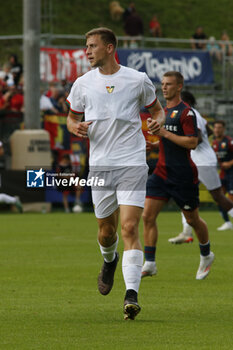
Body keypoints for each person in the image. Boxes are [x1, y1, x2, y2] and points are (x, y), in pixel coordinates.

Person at [66, 27, 165, 320]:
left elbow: (157, 111)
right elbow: (72, 119)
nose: (87, 51)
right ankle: (109, 261)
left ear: (109, 48)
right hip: (100, 165)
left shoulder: (137, 80)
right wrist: (76, 127)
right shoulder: (82, 84)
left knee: (129, 228)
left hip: (132, 163)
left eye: (92, 46)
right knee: (107, 232)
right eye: (86, 46)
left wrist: (157, 123)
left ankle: (131, 295)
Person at [141, 71, 214, 280]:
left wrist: (163, 134)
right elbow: (170, 141)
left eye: (169, 84)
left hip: (183, 175)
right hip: (162, 173)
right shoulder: (163, 111)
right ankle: (150, 263)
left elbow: (191, 142)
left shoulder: (186, 113)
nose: (164, 88)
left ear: (179, 87)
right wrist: (154, 144)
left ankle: (206, 254)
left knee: (193, 220)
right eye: (162, 84)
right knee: (147, 216)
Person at [168, 91, 233, 243]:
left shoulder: (189, 113)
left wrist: (176, 140)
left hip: (202, 161)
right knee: (184, 194)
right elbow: (208, 131)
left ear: (185, 101)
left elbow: (196, 139)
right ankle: (186, 232)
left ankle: (186, 232)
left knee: (218, 196)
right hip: (197, 160)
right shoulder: (195, 114)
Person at [212, 120, 233, 230]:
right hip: (223, 174)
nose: (217, 130)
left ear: (223, 129)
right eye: (215, 127)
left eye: (219, 127)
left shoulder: (229, 141)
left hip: (232, 174)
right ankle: (227, 223)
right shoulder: (214, 143)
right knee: (219, 198)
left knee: (230, 199)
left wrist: (229, 163)